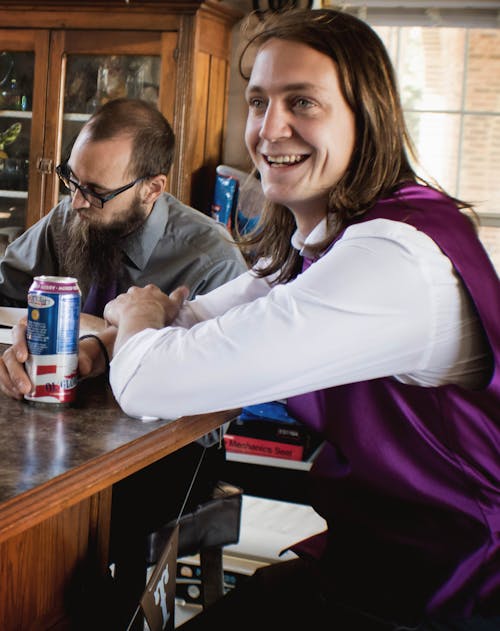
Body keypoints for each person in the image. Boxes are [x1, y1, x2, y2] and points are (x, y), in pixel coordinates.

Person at [3, 9, 500, 631]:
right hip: (375, 563)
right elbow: (196, 320)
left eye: (303, 102)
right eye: (259, 101)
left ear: (365, 118)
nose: (269, 128)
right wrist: (103, 343)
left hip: (450, 592)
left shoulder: (391, 260)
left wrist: (133, 318)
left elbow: (152, 381)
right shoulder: (325, 242)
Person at [0, 97, 248, 627]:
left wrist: (97, 333)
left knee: (65, 532)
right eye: (72, 180)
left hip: (171, 447)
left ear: (152, 188)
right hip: (58, 423)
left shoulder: (211, 255)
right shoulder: (69, 214)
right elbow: (8, 294)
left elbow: (208, 389)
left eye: (95, 190)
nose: (76, 203)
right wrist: (25, 336)